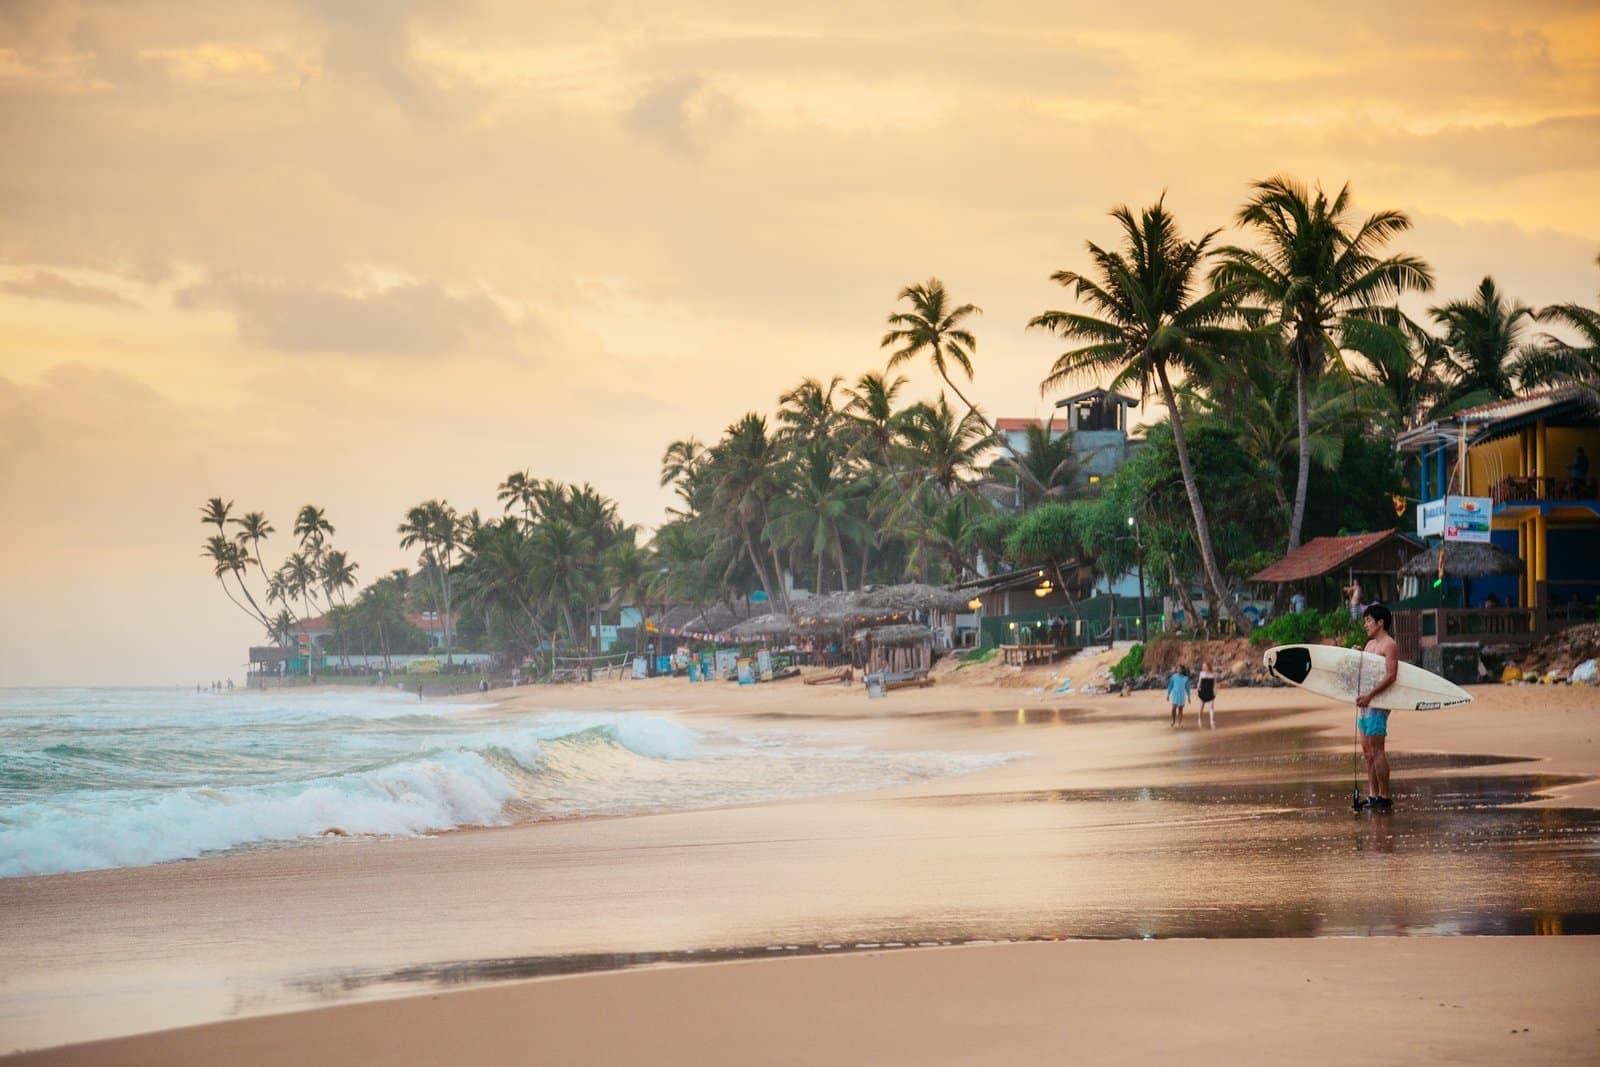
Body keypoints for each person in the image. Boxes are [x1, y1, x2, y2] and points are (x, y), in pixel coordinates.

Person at [1355, 603, 1400, 811]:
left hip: (1378, 702)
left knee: (1378, 750)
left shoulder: (1389, 645)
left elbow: (1391, 675)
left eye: (1368, 620)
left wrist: (1371, 696)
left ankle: (1384, 795)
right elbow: (1364, 671)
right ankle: (1372, 795)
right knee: (1367, 752)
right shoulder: (1369, 646)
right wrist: (1355, 655)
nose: (1366, 624)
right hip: (1365, 703)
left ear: (1380, 622)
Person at [1196, 659, 1218, 728]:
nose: (1204, 667)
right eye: (1203, 666)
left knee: (1211, 707)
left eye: (1205, 666)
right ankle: (1199, 718)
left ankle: (1212, 720)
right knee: (1201, 707)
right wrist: (1197, 689)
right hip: (1203, 691)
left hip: (1210, 692)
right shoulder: (1201, 673)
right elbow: (1199, 682)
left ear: (1208, 666)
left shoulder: (1213, 674)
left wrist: (1215, 690)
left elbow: (1215, 684)